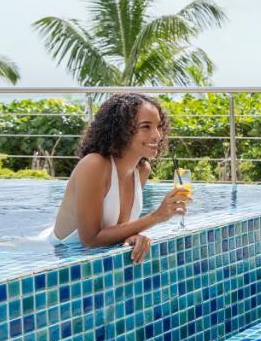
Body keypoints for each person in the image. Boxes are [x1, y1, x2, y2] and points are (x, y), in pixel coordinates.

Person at [48, 93, 190, 262]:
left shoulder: (142, 170)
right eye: (146, 126)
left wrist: (132, 236)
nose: (157, 135)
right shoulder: (94, 165)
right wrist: (157, 216)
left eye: (159, 126)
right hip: (59, 255)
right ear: (121, 130)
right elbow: (90, 239)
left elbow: (118, 228)